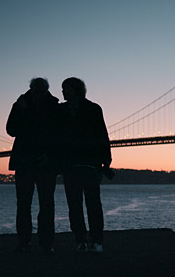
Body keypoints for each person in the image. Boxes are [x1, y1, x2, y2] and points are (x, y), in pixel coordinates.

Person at [6, 77, 59, 255]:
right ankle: (30, 242)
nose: (38, 95)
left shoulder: (53, 106)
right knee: (28, 204)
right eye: (36, 91)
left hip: (42, 162)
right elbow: (11, 130)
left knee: (42, 204)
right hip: (28, 162)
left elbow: (58, 134)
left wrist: (50, 155)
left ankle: (41, 243)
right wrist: (22, 112)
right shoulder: (21, 104)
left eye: (40, 91)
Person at [59, 77, 112, 253]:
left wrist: (106, 159)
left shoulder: (94, 109)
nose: (63, 92)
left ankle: (96, 241)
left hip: (88, 165)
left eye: (66, 89)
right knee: (75, 205)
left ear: (77, 90)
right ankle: (80, 240)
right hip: (71, 165)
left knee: (92, 204)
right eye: (62, 88)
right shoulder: (60, 110)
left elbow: (102, 135)